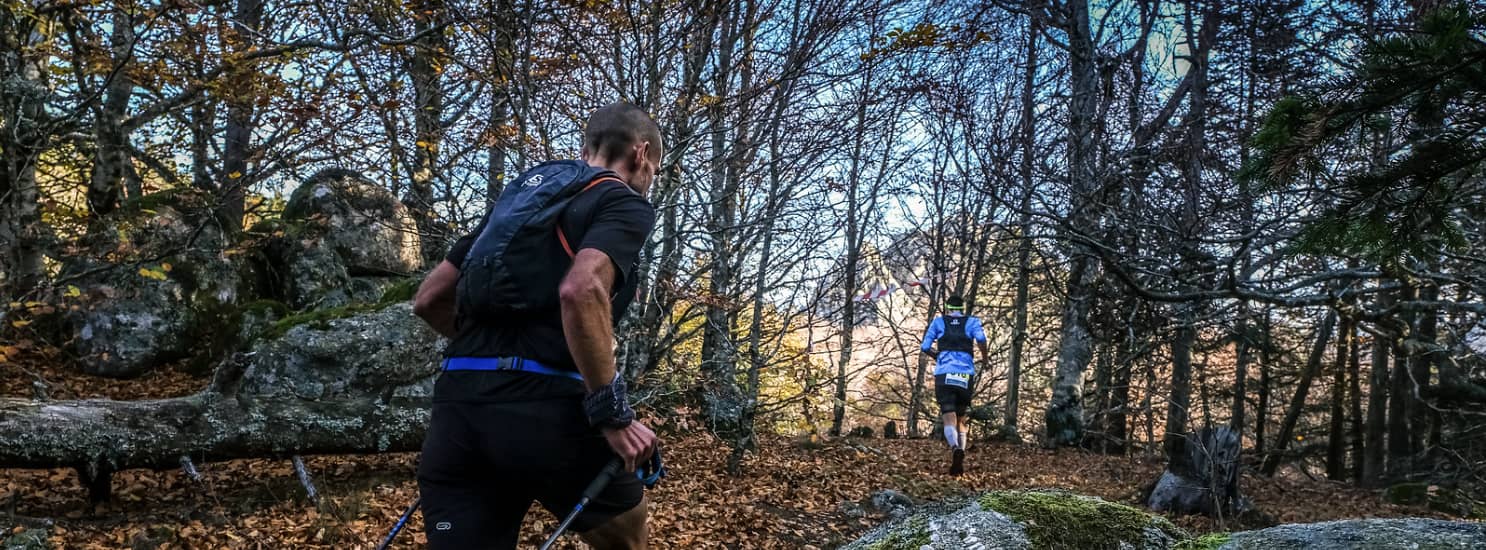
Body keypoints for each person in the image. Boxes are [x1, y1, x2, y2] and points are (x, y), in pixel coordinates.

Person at [411, 101, 662, 549]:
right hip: (547, 416)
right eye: (655, 168)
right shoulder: (622, 201)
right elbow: (581, 291)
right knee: (629, 538)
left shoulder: (520, 200)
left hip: (458, 414)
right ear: (641, 155)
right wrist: (613, 414)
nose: (650, 180)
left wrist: (492, 357)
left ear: (586, 148)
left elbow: (429, 299)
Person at [919, 294, 988, 476]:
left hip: (944, 373)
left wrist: (938, 357)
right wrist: (985, 358)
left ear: (948, 308)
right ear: (962, 308)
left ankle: (955, 447)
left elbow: (925, 346)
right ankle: (961, 452)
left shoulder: (938, 323)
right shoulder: (972, 322)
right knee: (961, 417)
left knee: (948, 415)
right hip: (965, 374)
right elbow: (981, 339)